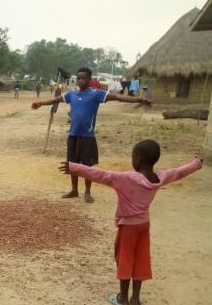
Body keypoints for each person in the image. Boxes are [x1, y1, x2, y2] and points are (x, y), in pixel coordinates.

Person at [59, 140, 203, 305]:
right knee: (141, 259)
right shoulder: (159, 177)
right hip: (144, 225)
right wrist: (195, 164)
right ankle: (135, 302)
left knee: (125, 259)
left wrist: (74, 167)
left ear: (138, 158)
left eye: (132, 157)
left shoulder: (127, 178)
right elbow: (179, 173)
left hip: (128, 227)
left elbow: (100, 175)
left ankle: (123, 299)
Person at [31, 67, 152, 203]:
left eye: (84, 78)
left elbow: (117, 97)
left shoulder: (96, 94)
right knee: (72, 164)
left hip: (87, 137)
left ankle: (87, 192)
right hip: (73, 135)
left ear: (89, 80)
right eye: (79, 78)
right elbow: (56, 100)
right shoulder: (72, 94)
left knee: (87, 166)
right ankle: (74, 190)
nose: (81, 81)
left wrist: (139, 100)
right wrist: (40, 103)